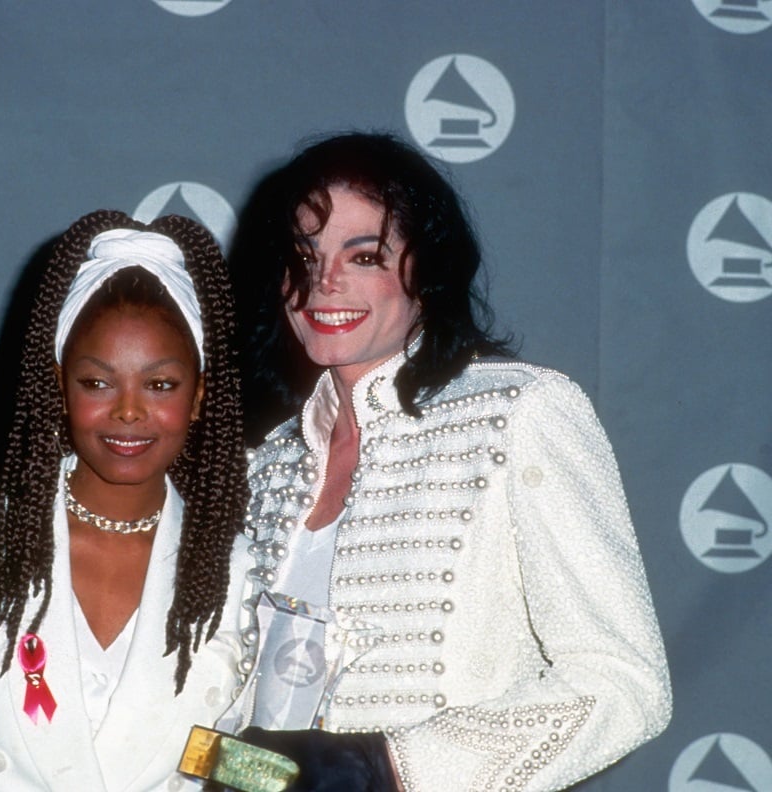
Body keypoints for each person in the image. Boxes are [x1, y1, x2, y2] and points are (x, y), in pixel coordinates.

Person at [228, 133, 671, 792]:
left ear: (427, 274)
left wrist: (394, 769)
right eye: (304, 255)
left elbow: (625, 682)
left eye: (365, 255)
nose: (324, 283)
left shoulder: (523, 412)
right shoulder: (265, 465)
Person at [0, 210, 250, 791]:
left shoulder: (241, 568)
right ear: (58, 386)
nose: (128, 410)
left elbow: (241, 769)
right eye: (97, 382)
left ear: (198, 396)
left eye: (161, 384)